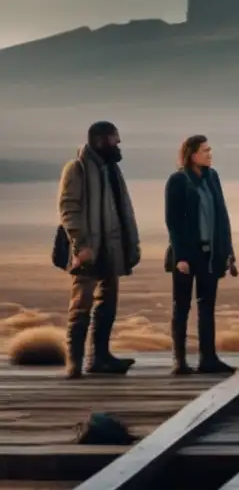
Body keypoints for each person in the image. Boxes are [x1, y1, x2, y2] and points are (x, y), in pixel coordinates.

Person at [56, 121, 141, 379]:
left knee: (108, 303)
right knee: (81, 305)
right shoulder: (77, 168)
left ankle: (100, 358)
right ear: (101, 140)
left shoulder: (112, 170)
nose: (119, 144)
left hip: (111, 248)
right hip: (88, 250)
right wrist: (80, 245)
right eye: (115, 139)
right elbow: (69, 208)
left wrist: (131, 246)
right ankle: (74, 363)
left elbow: (123, 210)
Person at [164, 135, 238, 375]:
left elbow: (222, 216)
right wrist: (181, 257)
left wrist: (228, 251)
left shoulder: (212, 178)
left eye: (210, 150)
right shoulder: (177, 181)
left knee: (207, 307)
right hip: (187, 255)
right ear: (192, 154)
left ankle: (208, 358)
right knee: (181, 307)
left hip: (210, 254)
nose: (209, 154)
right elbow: (173, 222)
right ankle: (180, 361)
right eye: (205, 150)